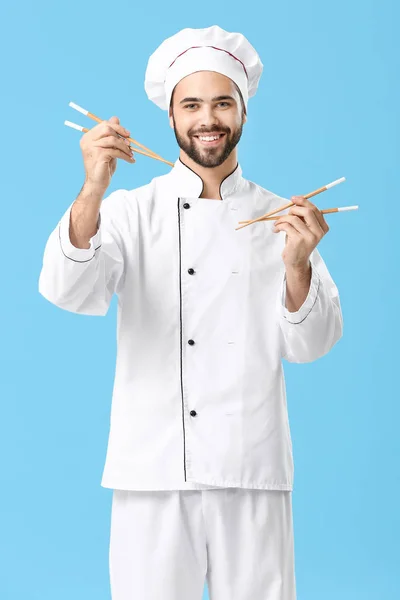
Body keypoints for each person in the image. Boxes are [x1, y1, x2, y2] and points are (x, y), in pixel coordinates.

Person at [38, 24, 343, 600]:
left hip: (252, 469)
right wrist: (92, 190)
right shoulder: (130, 211)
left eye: (223, 102)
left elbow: (314, 343)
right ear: (172, 116)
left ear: (244, 114)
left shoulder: (283, 216)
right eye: (193, 104)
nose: (209, 118)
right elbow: (68, 289)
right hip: (149, 470)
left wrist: (299, 265)